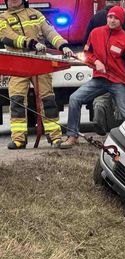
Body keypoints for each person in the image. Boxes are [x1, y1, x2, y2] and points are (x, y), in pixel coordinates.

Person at [61, 6, 125, 148]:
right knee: (74, 99)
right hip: (99, 79)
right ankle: (72, 136)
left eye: (116, 18)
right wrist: (96, 62)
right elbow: (87, 54)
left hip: (118, 82)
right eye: (110, 17)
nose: (112, 20)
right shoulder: (95, 33)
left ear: (121, 21)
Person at [0, 0, 73, 149]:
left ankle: (55, 137)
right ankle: (19, 139)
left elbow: (50, 32)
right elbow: (8, 37)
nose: (14, 0)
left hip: (39, 61)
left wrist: (63, 45)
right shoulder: (3, 18)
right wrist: (31, 43)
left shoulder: (36, 14)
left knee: (48, 99)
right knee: (17, 100)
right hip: (18, 62)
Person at [83, 0, 125, 136]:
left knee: (102, 92)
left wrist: (94, 60)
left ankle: (99, 112)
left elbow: (86, 41)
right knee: (121, 100)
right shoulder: (123, 18)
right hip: (119, 68)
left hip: (100, 67)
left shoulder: (95, 18)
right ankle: (124, 131)